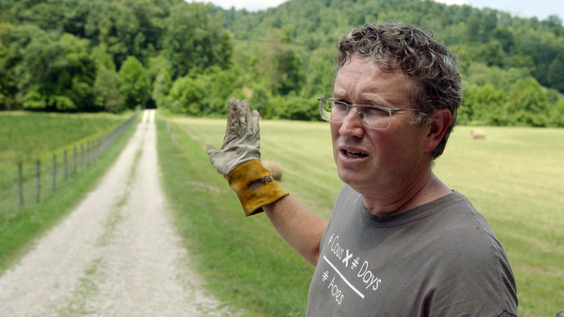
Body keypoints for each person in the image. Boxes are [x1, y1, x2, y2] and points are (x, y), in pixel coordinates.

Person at [207, 22, 518, 316]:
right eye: (341, 103)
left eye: (374, 110)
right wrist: (250, 177)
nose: (348, 126)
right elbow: (326, 252)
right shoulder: (357, 196)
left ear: (433, 128)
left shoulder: (466, 263)